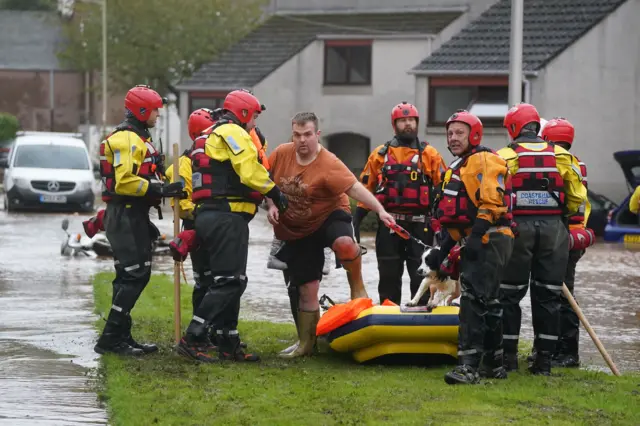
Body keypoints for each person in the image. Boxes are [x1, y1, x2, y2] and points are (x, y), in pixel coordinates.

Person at [266, 112, 396, 359]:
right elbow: (264, 182)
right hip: (298, 228)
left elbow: (356, 188)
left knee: (345, 243)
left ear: (317, 135)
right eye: (297, 135)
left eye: (307, 135)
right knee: (308, 287)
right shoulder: (281, 154)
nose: (302, 140)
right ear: (292, 134)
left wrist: (380, 210)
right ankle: (306, 343)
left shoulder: (329, 163)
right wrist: (270, 204)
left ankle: (356, 285)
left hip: (330, 216)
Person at [176, 89, 287, 363]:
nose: (255, 123)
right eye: (255, 116)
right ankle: (193, 336)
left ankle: (228, 341)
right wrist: (275, 193)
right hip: (226, 217)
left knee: (228, 280)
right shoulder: (233, 132)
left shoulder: (210, 135)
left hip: (212, 216)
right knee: (230, 282)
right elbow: (249, 170)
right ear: (244, 113)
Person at [95, 84, 185, 356]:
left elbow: (146, 174)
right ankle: (110, 338)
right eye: (155, 110)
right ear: (141, 110)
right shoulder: (127, 139)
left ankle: (121, 335)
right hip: (124, 214)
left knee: (130, 275)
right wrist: (160, 190)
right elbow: (124, 182)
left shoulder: (139, 137)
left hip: (133, 214)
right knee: (135, 274)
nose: (158, 115)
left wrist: (167, 182)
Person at [497, 103, 587, 375]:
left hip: (517, 231)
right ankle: (544, 362)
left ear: (513, 127)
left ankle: (509, 359)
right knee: (548, 296)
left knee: (509, 295)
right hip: (554, 232)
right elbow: (578, 199)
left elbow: (496, 193)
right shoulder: (563, 156)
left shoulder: (503, 156)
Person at [426, 110, 514, 384]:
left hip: (490, 236)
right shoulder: (459, 166)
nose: (453, 138)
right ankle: (493, 365)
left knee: (474, 302)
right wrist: (444, 249)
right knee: (487, 300)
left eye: (459, 133)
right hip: (479, 237)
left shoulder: (484, 160)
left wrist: (475, 237)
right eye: (450, 133)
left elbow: (490, 202)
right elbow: (457, 216)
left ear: (474, 135)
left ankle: (468, 367)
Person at [354, 102, 446, 305]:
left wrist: (445, 228)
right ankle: (389, 317)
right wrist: (355, 225)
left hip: (421, 226)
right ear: (394, 124)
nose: (408, 124)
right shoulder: (380, 155)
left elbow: (443, 191)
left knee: (421, 276)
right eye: (403, 120)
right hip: (390, 226)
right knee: (388, 277)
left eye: (411, 120)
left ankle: (421, 321)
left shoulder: (430, 154)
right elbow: (365, 190)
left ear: (417, 123)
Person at [540, 117, 595, 368]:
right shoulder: (576, 163)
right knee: (558, 294)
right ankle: (551, 349)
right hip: (573, 238)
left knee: (559, 297)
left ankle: (567, 352)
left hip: (563, 238)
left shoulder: (556, 162)